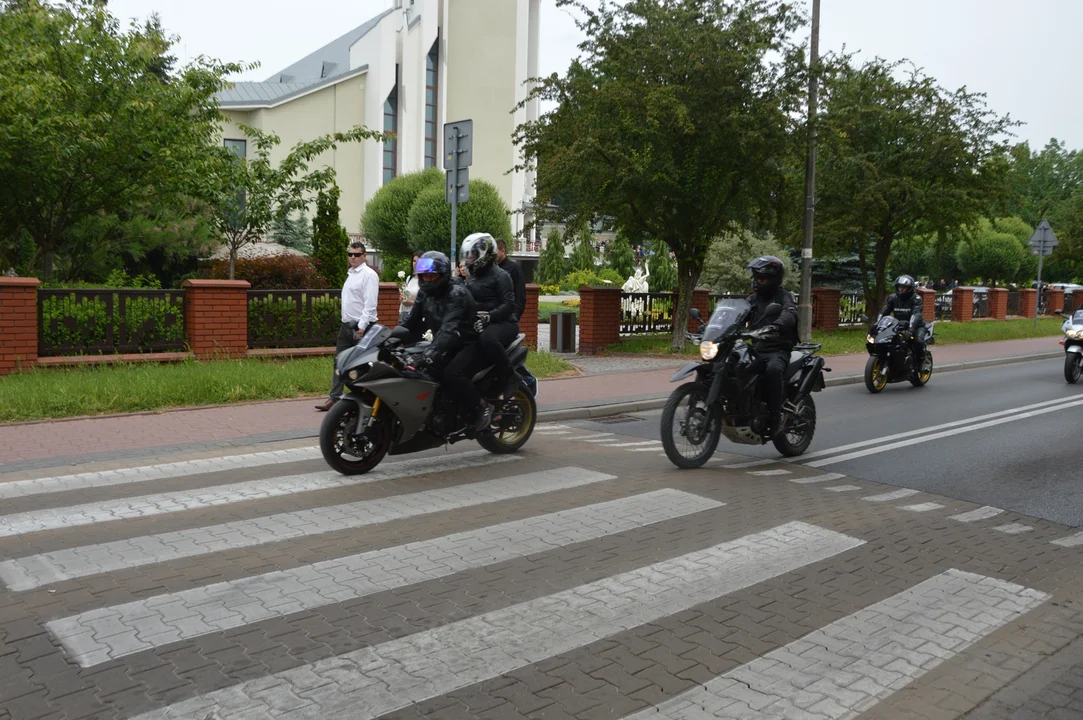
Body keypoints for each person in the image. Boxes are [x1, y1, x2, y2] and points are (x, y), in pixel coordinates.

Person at [399, 251, 493, 432]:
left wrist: (430, 353)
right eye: (424, 275)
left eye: (432, 275)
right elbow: (412, 322)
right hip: (446, 343)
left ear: (442, 275)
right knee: (423, 373)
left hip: (469, 343)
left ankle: (481, 408)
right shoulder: (424, 294)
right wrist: (391, 339)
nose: (428, 279)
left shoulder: (456, 293)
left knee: (452, 374)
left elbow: (450, 329)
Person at [316, 241, 378, 411]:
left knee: (361, 365)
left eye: (357, 254)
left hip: (362, 327)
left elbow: (370, 304)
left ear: (364, 256)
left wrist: (362, 326)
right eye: (350, 254)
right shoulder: (351, 273)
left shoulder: (369, 275)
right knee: (339, 362)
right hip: (347, 326)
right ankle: (334, 398)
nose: (352, 257)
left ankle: (368, 398)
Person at [461, 233, 521, 400]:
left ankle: (510, 375)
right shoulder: (473, 277)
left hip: (504, 323)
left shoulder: (502, 276)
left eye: (472, 255)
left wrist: (489, 317)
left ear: (484, 255)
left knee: (487, 339)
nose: (469, 259)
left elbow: (509, 305)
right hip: (480, 323)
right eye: (468, 255)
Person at [745, 255, 798, 439]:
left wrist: (777, 324)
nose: (757, 282)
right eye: (755, 278)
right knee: (736, 367)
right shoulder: (753, 299)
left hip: (777, 349)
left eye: (761, 278)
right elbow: (739, 315)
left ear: (773, 279)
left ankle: (775, 419)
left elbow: (789, 314)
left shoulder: (785, 296)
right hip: (757, 349)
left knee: (773, 371)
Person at [877, 274, 927, 361]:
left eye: (904, 287)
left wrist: (911, 329)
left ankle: (922, 361)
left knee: (918, 342)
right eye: (900, 287)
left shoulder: (916, 299)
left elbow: (916, 314)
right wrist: (877, 324)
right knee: (886, 341)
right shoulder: (892, 298)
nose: (901, 289)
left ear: (910, 288)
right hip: (897, 325)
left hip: (916, 326)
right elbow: (884, 311)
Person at [494, 238, 526, 321]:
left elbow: (520, 295)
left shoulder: (514, 268)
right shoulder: (491, 269)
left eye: (495, 251)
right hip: (494, 316)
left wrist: (515, 316)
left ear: (502, 251)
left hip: (508, 317)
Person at [399, 250, 423, 323]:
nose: (415, 263)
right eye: (414, 261)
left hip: (419, 317)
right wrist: (402, 299)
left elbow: (426, 301)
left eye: (418, 261)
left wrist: (410, 302)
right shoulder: (409, 278)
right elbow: (407, 296)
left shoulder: (426, 280)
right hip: (406, 315)